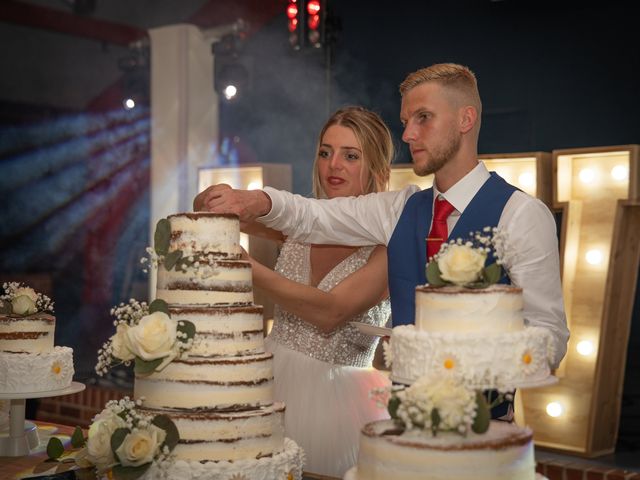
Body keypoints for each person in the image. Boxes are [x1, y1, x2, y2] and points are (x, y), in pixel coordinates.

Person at [194, 63, 570, 419]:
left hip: (483, 431)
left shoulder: (521, 214)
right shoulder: (398, 208)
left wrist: (474, 355)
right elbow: (312, 216)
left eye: (423, 118)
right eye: (406, 122)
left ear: (465, 119)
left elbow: (550, 339)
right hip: (404, 425)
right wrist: (256, 200)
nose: (408, 135)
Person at [198, 106, 394, 478]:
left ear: (378, 172)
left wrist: (244, 267)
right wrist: (216, 198)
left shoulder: (389, 246)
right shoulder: (301, 223)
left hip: (338, 404)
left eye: (350, 156)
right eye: (325, 152)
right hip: (265, 381)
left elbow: (331, 311)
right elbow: (219, 214)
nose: (333, 165)